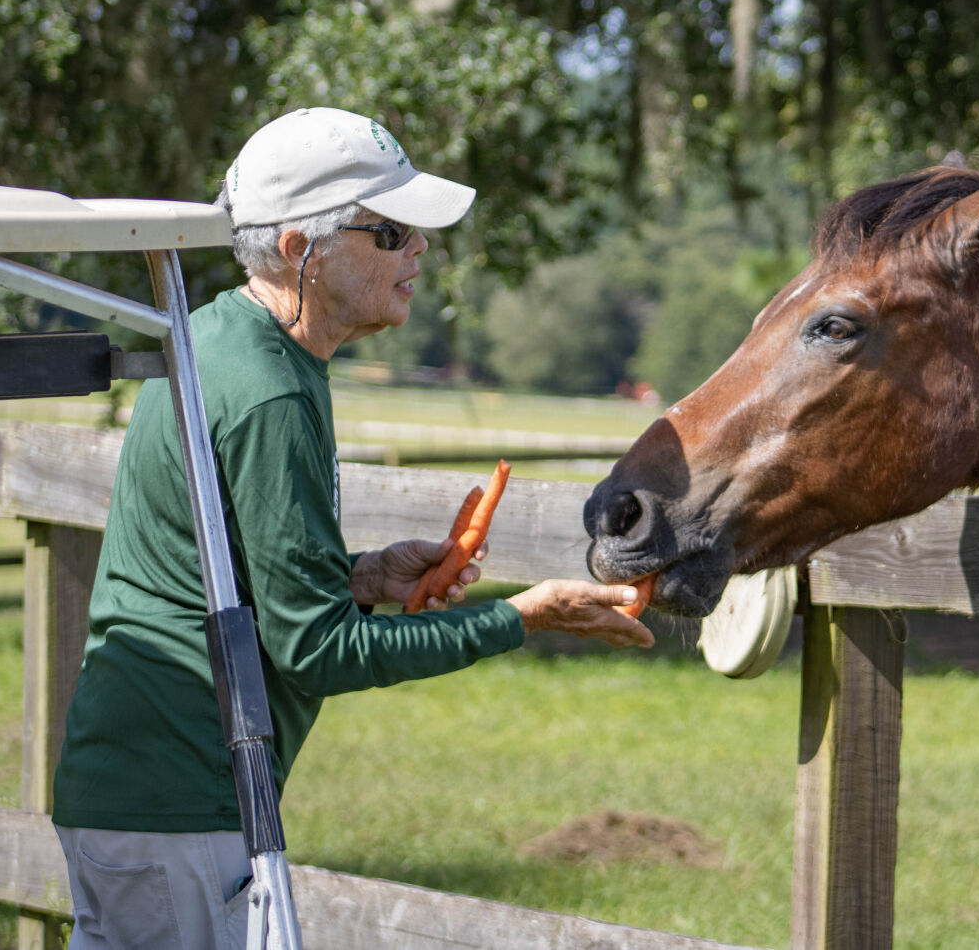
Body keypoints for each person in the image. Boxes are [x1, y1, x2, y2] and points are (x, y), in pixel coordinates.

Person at [50, 107, 654, 950]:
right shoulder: (269, 390)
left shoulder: (219, 339)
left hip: (140, 791)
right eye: (391, 233)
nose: (420, 250)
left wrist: (362, 576)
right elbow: (318, 651)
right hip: (182, 803)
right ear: (301, 248)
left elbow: (214, 563)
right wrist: (521, 617)